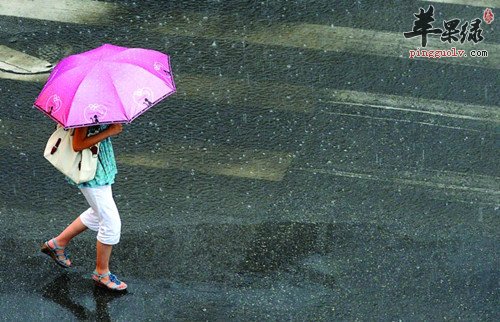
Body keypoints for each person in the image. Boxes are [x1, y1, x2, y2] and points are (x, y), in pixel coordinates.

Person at [41, 123, 127, 292]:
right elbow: (78, 144)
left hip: (98, 168)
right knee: (110, 223)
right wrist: (110, 131)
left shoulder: (95, 107)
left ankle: (58, 243)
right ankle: (101, 273)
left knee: (98, 213)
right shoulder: (88, 111)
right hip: (91, 172)